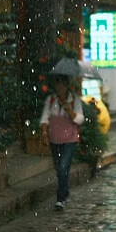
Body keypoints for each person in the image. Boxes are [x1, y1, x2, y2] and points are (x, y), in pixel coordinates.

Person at [40, 75, 84, 211]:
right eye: (58, 85)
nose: (60, 88)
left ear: (67, 86)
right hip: (55, 139)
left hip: (70, 140)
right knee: (59, 168)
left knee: (64, 167)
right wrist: (44, 134)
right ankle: (65, 192)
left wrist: (67, 107)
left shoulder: (74, 100)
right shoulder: (51, 100)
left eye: (62, 85)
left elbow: (79, 119)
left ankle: (61, 198)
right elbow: (44, 118)